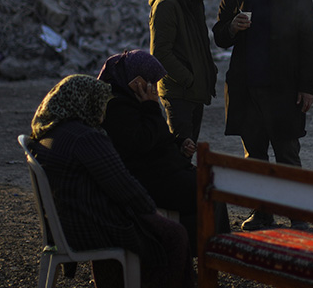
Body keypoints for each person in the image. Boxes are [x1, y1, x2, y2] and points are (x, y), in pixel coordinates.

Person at [27, 74, 196, 288]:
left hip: (66, 224)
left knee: (138, 221)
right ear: (86, 102)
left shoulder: (50, 133)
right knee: (172, 233)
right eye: (100, 103)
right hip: (86, 229)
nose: (104, 110)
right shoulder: (86, 138)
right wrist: (151, 213)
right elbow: (125, 188)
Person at [212, 0, 313, 231]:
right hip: (247, 91)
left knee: (287, 153)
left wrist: (307, 87)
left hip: (284, 90)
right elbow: (220, 37)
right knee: (255, 157)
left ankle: (297, 214)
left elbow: (309, 43)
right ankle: (262, 213)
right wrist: (231, 28)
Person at [97, 49, 228, 251]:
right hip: (147, 180)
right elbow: (143, 143)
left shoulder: (133, 101)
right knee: (209, 188)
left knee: (211, 183)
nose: (153, 87)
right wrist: (151, 107)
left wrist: (179, 144)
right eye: (149, 81)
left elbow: (158, 137)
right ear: (135, 79)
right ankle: (204, 249)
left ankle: (211, 246)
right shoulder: (117, 108)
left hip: (160, 173)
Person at [148, 0, 219, 156]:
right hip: (180, 93)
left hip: (193, 92)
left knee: (187, 153)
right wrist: (189, 79)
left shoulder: (192, 1)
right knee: (180, 154)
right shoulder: (167, 4)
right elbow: (161, 54)